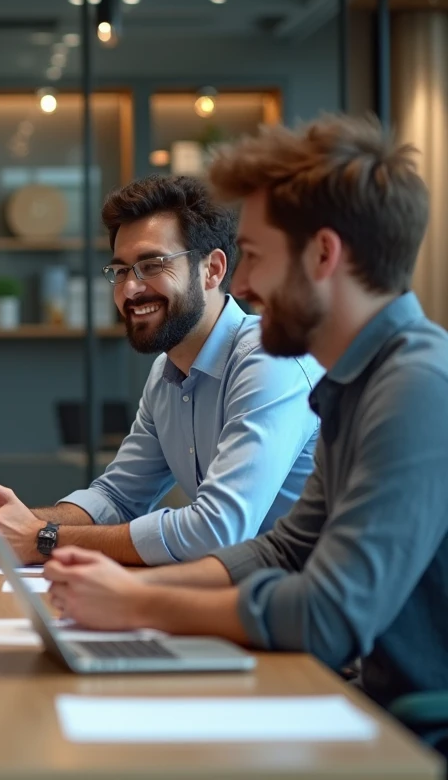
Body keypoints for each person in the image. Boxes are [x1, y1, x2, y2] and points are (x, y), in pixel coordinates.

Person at [43, 114, 448, 713]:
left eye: (254, 256)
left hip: (408, 720)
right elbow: (282, 551)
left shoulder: (416, 387)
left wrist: (137, 603)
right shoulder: (358, 379)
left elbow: (326, 614)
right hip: (362, 692)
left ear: (323, 255)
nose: (246, 284)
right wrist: (125, 586)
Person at [0, 175, 322, 567]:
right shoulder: (166, 373)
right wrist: (18, 523)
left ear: (213, 270)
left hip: (309, 607)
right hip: (235, 595)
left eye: (152, 265)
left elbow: (215, 530)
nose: (130, 290)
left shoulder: (270, 360)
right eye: (120, 271)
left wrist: (44, 538)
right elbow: (118, 497)